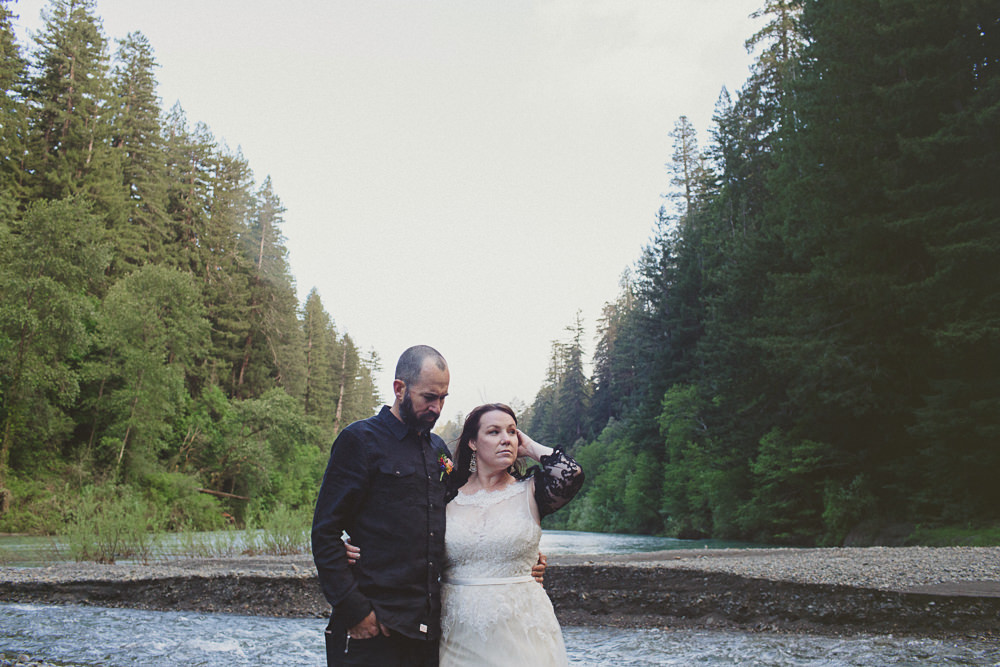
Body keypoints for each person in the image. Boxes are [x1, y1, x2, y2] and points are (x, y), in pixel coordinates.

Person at [312, 345, 452, 666]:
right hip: (373, 630)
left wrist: (518, 556)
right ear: (399, 388)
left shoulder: (438, 450)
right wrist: (355, 610)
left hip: (427, 633)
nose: (437, 408)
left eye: (443, 398)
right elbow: (325, 532)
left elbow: (459, 519)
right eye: (429, 397)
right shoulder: (359, 441)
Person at [437, 403, 584, 667]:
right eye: (494, 432)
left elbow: (570, 473)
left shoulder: (532, 491)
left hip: (523, 631)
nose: (506, 439)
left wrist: (527, 446)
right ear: (472, 442)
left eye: (512, 432)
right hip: (458, 634)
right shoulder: (446, 495)